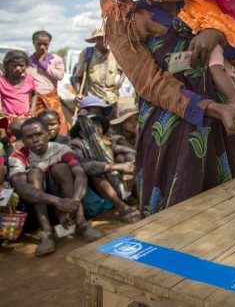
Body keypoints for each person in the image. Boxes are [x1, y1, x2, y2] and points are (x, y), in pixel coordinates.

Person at [89, 0, 235, 218]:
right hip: (171, 135)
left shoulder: (202, 0)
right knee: (173, 225)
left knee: (227, 219)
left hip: (223, 129)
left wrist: (219, 35)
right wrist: (214, 107)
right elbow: (151, 83)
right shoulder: (126, 23)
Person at [8, 118, 103, 255]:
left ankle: (81, 223)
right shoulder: (18, 156)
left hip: (65, 200)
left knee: (62, 168)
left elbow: (80, 175)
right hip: (40, 205)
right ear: (22, 140)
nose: (35, 139)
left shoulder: (61, 149)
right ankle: (47, 232)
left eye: (39, 134)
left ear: (48, 133)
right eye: (29, 137)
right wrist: (58, 202)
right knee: (34, 174)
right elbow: (22, 188)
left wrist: (72, 204)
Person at [69, 113, 139, 223]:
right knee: (96, 174)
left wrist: (128, 169)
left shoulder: (105, 140)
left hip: (113, 178)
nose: (97, 128)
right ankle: (121, 207)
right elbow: (85, 165)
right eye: (92, 125)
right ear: (81, 132)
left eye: (99, 125)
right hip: (92, 187)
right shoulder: (76, 144)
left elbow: (128, 151)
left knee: (125, 159)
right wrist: (117, 167)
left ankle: (142, 201)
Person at [73, 26, 125, 115]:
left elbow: (124, 70)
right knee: (94, 124)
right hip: (92, 99)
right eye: (100, 38)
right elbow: (78, 76)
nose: (104, 41)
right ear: (95, 40)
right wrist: (78, 93)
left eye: (106, 38)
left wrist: (119, 83)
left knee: (111, 125)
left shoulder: (115, 54)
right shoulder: (87, 53)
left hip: (111, 98)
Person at [26, 30, 68, 136]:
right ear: (33, 43)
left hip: (51, 98)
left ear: (49, 43)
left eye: (45, 44)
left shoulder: (56, 59)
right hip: (35, 100)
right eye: (39, 43)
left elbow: (60, 76)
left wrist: (44, 65)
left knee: (56, 124)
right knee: (36, 127)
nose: (42, 47)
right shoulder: (27, 61)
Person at [0, 50, 36, 135]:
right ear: (7, 66)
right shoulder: (1, 81)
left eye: (21, 65)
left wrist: (33, 108)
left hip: (25, 119)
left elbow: (35, 94)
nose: (18, 68)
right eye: (14, 65)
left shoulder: (29, 80)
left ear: (26, 65)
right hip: (7, 118)